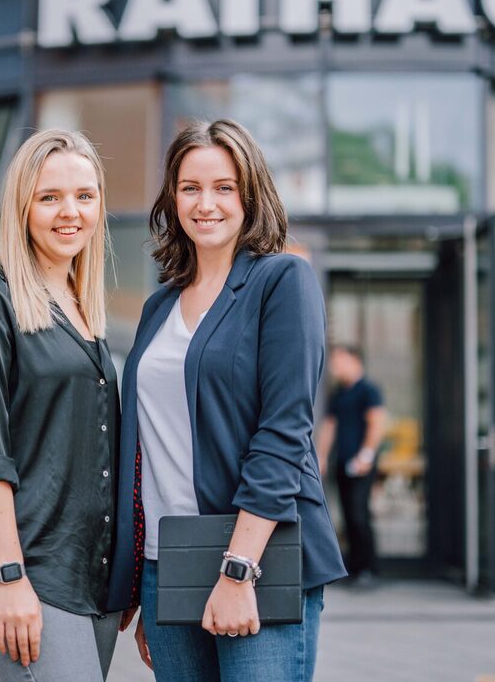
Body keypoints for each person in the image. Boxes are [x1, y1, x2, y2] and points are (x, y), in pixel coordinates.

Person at [111, 119, 346, 681]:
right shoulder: (158, 307)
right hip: (169, 564)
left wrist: (239, 571)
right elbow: (147, 449)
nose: (205, 203)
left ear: (250, 195)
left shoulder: (282, 281)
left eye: (223, 187)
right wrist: (145, 584)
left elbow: (284, 432)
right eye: (190, 188)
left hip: (254, 558)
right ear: (173, 198)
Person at [0, 130, 120, 681]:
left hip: (94, 578)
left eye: (85, 197)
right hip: (28, 573)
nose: (71, 212)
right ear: (22, 205)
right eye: (50, 197)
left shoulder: (82, 312)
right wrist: (9, 576)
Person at [316, 345, 387, 585]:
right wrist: (321, 458)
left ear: (354, 360)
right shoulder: (339, 394)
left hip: (361, 465)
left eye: (339, 361)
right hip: (342, 463)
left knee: (359, 514)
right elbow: (329, 427)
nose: (335, 367)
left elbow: (376, 423)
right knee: (346, 515)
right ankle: (355, 569)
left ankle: (369, 568)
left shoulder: (368, 390)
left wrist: (366, 455)